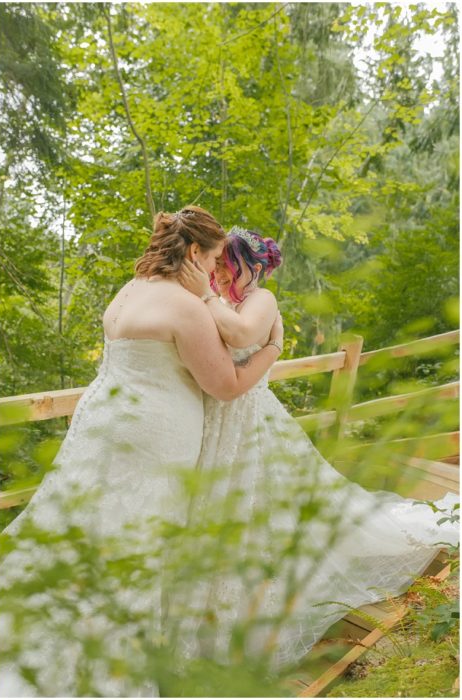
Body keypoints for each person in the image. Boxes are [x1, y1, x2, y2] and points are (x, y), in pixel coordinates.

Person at [0, 206, 285, 696]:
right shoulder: (187, 307)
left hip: (102, 421)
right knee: (141, 541)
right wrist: (273, 350)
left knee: (91, 530)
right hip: (157, 431)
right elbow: (228, 385)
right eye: (214, 259)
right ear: (194, 252)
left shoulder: (128, 291)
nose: (216, 272)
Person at [177, 227, 459, 669]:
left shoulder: (259, 301)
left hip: (250, 420)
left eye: (224, 263)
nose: (216, 271)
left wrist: (211, 303)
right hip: (212, 422)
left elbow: (235, 336)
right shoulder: (211, 300)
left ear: (249, 266)